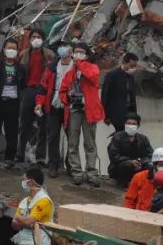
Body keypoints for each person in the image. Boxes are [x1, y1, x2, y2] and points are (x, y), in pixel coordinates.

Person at [59, 42, 104, 186]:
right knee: (73, 143)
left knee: (90, 144)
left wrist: (80, 65)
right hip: (74, 110)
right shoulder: (70, 72)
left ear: (86, 54)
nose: (78, 54)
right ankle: (76, 172)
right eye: (76, 52)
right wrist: (67, 95)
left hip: (89, 110)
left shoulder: (93, 67)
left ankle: (92, 173)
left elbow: (92, 77)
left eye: (81, 52)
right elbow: (62, 91)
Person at [0, 38, 28, 167]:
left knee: (12, 132)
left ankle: (10, 158)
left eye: (14, 48)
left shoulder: (21, 68)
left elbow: (23, 84)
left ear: (17, 51)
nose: (11, 51)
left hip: (13, 104)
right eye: (9, 48)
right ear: (4, 50)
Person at [34, 41, 75, 179]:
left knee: (72, 138)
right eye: (62, 48)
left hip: (70, 106)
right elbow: (43, 87)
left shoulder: (76, 66)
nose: (64, 51)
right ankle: (53, 165)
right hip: (53, 105)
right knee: (52, 137)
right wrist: (39, 103)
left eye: (66, 48)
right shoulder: (51, 67)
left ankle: (71, 165)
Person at [18, 28, 53, 165]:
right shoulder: (23, 55)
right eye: (33, 37)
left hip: (43, 91)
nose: (35, 39)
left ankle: (40, 156)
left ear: (43, 39)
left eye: (38, 37)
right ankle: (20, 153)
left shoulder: (49, 55)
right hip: (28, 90)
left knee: (43, 124)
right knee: (24, 124)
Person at [11, 167, 52, 245]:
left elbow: (28, 221)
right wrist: (24, 221)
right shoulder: (24, 201)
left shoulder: (44, 201)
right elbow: (14, 225)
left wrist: (18, 218)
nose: (23, 183)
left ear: (31, 182)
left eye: (25, 180)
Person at [106, 113, 153, 189]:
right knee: (127, 164)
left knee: (150, 167)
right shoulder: (117, 137)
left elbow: (150, 155)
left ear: (138, 126)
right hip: (119, 168)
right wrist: (130, 162)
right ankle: (122, 185)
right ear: (125, 124)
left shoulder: (143, 139)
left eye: (134, 124)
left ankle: (146, 187)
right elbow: (114, 156)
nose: (131, 126)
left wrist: (141, 162)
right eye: (129, 123)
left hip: (138, 166)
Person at [101, 53, 139, 133]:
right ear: (124, 62)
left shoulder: (130, 76)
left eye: (135, 66)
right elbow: (105, 96)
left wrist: (135, 115)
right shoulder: (112, 75)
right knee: (121, 135)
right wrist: (106, 116)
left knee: (129, 135)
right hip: (117, 114)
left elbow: (132, 96)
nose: (133, 68)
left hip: (130, 113)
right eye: (131, 65)